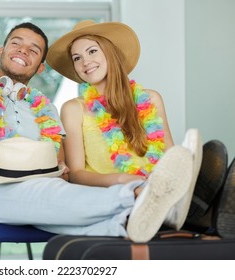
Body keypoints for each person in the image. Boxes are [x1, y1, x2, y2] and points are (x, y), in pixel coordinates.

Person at [0, 7, 197, 243]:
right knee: (49, 193)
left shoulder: (46, 110)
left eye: (33, 50)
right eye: (16, 44)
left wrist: (63, 171)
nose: (22, 51)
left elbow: (61, 168)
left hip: (41, 184)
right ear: (1, 51)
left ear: (40, 67)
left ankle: (131, 220)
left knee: (57, 194)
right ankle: (141, 197)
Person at [46, 20, 206, 232]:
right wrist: (124, 180)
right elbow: (76, 173)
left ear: (110, 53)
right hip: (110, 194)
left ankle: (181, 201)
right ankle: (157, 209)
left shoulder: (151, 99)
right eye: (77, 58)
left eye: (92, 51)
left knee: (182, 165)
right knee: (133, 193)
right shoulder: (73, 109)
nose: (85, 61)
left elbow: (169, 156)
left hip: (155, 185)